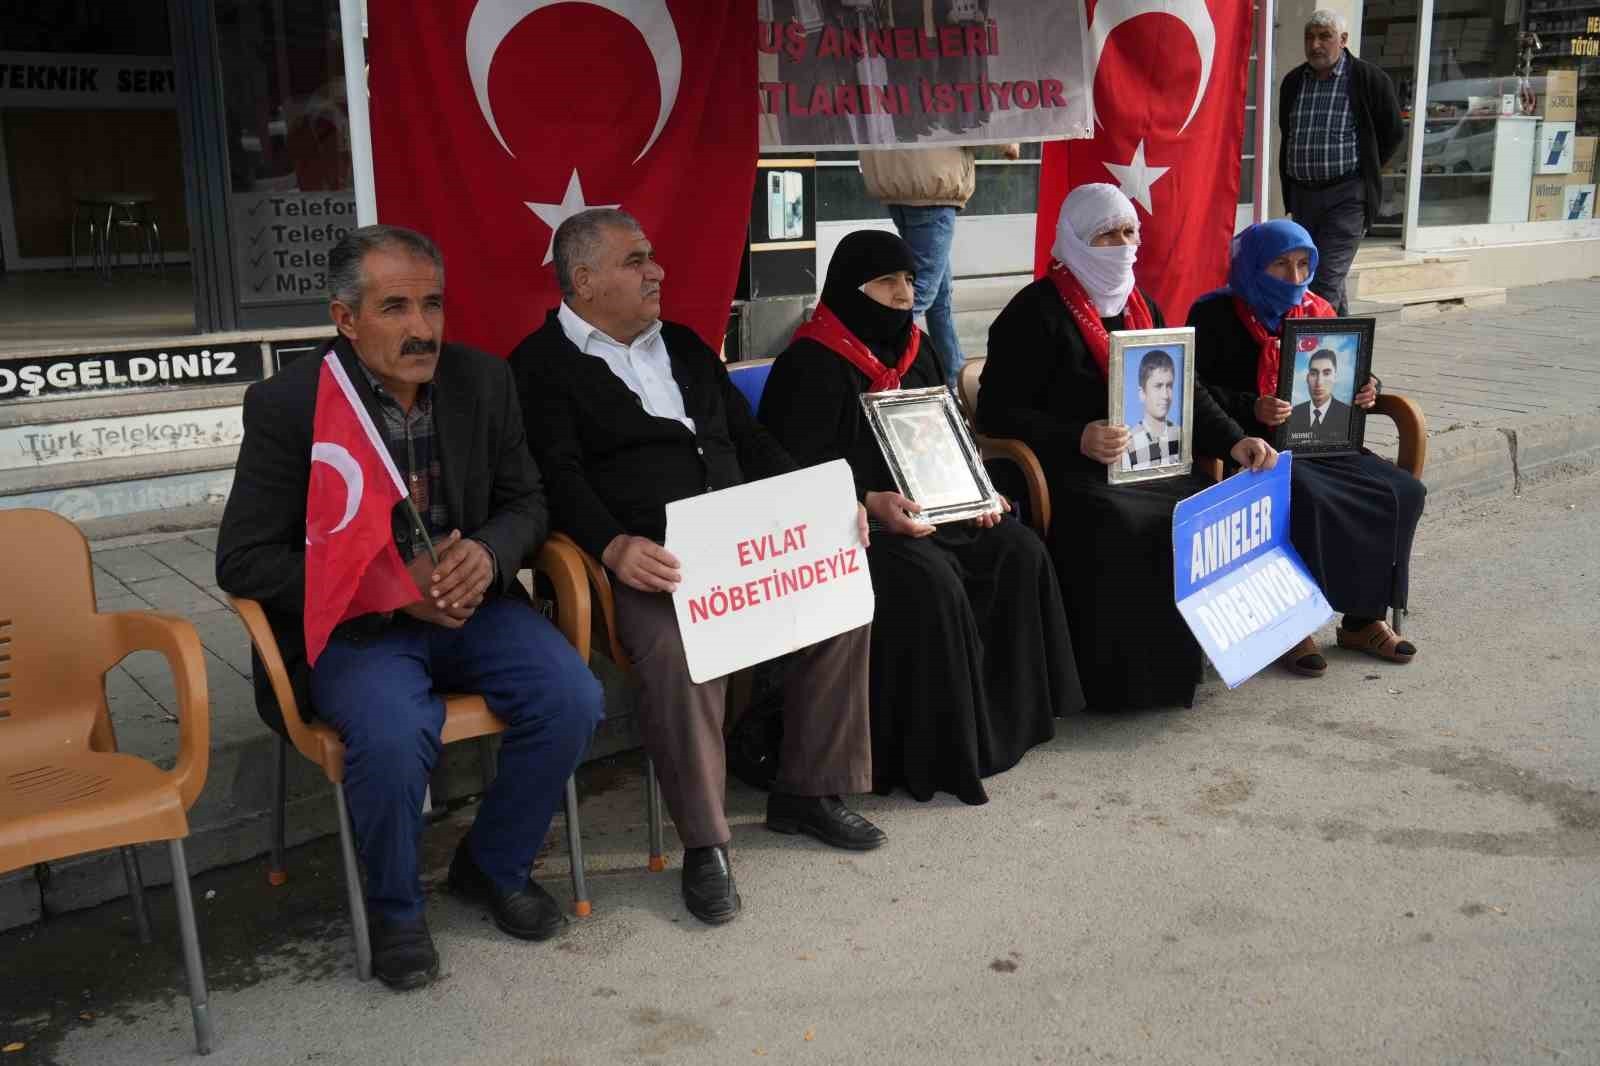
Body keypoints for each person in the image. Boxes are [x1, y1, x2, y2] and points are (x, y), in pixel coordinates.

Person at [216, 225, 604, 990]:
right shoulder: (289, 405)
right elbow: (244, 559)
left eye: (432, 305)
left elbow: (527, 499)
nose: (421, 328)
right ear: (345, 318)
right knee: (394, 734)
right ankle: (395, 910)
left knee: (572, 697)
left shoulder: (483, 382)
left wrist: (489, 554)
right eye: (394, 308)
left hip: (472, 608)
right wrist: (391, 586)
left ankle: (490, 866)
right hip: (361, 626)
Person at [508, 208, 884, 927]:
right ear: (584, 280)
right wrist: (612, 544)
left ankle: (807, 789)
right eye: (636, 260)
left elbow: (752, 439)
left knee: (844, 592)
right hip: (656, 563)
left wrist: (827, 503)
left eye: (652, 257)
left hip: (745, 542)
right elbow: (552, 478)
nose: (657, 272)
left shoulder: (681, 344)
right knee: (679, 650)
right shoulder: (539, 367)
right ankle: (707, 843)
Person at [759, 229, 1082, 805]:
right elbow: (791, 472)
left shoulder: (919, 348)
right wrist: (866, 500)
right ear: (851, 289)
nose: (905, 294)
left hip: (936, 507)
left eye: (909, 279)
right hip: (854, 526)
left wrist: (978, 489)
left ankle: (1007, 722)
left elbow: (952, 434)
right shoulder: (808, 365)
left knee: (1017, 547)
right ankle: (932, 750)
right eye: (887, 282)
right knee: (929, 581)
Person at [977, 184, 1278, 711]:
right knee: (1125, 524)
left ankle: (1181, 664)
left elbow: (1187, 392)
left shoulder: (1145, 306)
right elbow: (996, 412)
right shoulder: (1034, 313)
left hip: (1150, 462)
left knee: (1205, 504)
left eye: (1129, 231)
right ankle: (1116, 682)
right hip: (1070, 470)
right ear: (1073, 239)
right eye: (1106, 234)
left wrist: (1236, 441)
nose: (1122, 244)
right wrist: (1076, 436)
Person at [1189, 219, 1425, 675]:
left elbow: (1349, 366)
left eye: (1303, 265)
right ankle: (1290, 623)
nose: (1295, 279)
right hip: (1255, 446)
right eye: (1280, 265)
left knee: (1402, 492)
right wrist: (1250, 407)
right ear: (1253, 265)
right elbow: (1197, 391)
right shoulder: (1214, 315)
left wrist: (1368, 388)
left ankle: (1363, 618)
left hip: (1324, 440)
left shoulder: (1319, 308)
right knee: (1308, 495)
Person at [859, 141, 1020, 384]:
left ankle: (953, 376)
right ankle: (860, 357)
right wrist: (1006, 142)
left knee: (939, 295)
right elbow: (968, 111)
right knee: (917, 294)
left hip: (901, 180)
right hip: (932, 184)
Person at [1278, 9, 1405, 314]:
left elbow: (1392, 133)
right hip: (1304, 196)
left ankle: (1311, 354)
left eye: (1325, 36)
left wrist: (1366, 170)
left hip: (1347, 197)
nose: (1316, 44)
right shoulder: (1294, 81)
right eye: (1310, 37)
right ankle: (1347, 353)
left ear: (1343, 40)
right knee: (1318, 277)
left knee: (1323, 281)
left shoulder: (1369, 79)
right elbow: (1288, 132)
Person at [1123, 349, 1182, 471]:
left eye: (1169, 386)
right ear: (1142, 393)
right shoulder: (1128, 443)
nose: (1165, 395)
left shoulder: (1181, 435)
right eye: (1158, 386)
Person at [1287, 348, 1352, 444]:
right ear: (1307, 378)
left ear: (1335, 377)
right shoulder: (1293, 413)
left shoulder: (1348, 414)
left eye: (1326, 373)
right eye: (1313, 373)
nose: (1319, 382)